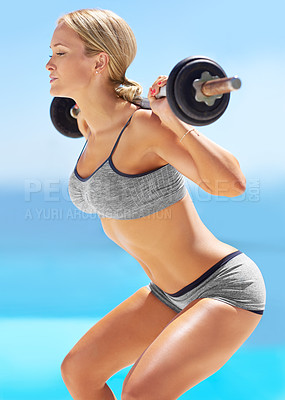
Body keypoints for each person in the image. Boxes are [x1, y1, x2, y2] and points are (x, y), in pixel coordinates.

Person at [46, 8, 266, 400]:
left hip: (222, 287)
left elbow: (232, 184)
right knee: (79, 372)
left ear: (100, 61)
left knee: (141, 393)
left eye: (61, 53)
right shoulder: (88, 125)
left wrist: (177, 120)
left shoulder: (145, 127)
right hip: (166, 293)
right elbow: (95, 109)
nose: (49, 63)